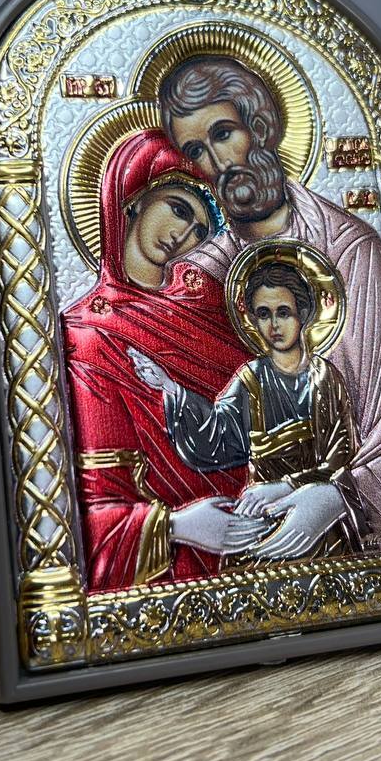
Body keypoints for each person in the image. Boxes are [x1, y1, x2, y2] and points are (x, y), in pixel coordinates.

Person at [158, 55, 381, 551]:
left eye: (224, 133)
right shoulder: (198, 276)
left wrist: (337, 496)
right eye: (196, 150)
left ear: (260, 126)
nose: (219, 163)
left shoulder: (351, 251)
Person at [61, 128, 258, 592]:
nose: (183, 235)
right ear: (135, 198)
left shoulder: (210, 311)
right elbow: (91, 514)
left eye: (201, 231)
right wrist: (176, 527)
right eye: (178, 209)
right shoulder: (87, 336)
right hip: (181, 572)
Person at [130, 258, 367, 561]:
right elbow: (216, 437)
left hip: (318, 521)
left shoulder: (325, 379)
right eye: (264, 314)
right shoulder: (251, 379)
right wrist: (170, 388)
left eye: (284, 312)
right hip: (259, 517)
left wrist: (285, 487)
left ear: (304, 313)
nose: (274, 325)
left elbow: (343, 458)